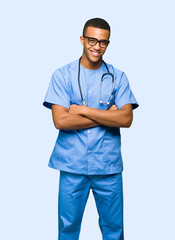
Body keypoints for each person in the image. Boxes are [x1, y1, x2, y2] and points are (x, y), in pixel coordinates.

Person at [43, 17, 139, 240]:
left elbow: (126, 119)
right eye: (92, 40)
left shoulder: (118, 77)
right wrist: (109, 116)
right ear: (82, 39)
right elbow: (61, 121)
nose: (97, 46)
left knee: (114, 230)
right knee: (67, 229)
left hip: (108, 167)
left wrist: (81, 110)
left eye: (103, 42)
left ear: (107, 43)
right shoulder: (62, 75)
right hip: (72, 165)